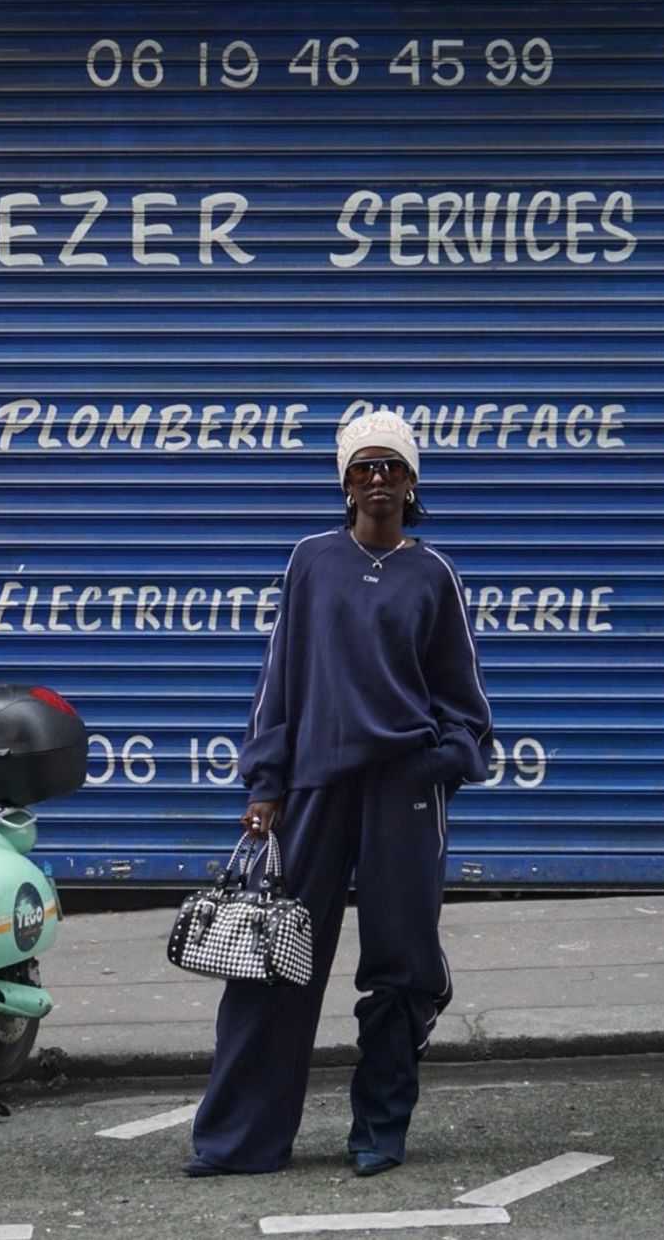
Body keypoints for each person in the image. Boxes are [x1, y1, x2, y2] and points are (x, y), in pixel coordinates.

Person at [186, 408, 493, 1180]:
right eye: (364, 467)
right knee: (273, 958)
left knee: (399, 964)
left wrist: (442, 761)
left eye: (392, 466)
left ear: (413, 482)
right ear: (344, 483)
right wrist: (266, 781)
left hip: (404, 792)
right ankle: (239, 1143)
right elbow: (278, 678)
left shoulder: (435, 575)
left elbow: (466, 704)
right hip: (314, 787)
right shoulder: (311, 561)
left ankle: (379, 1132)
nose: (378, 479)